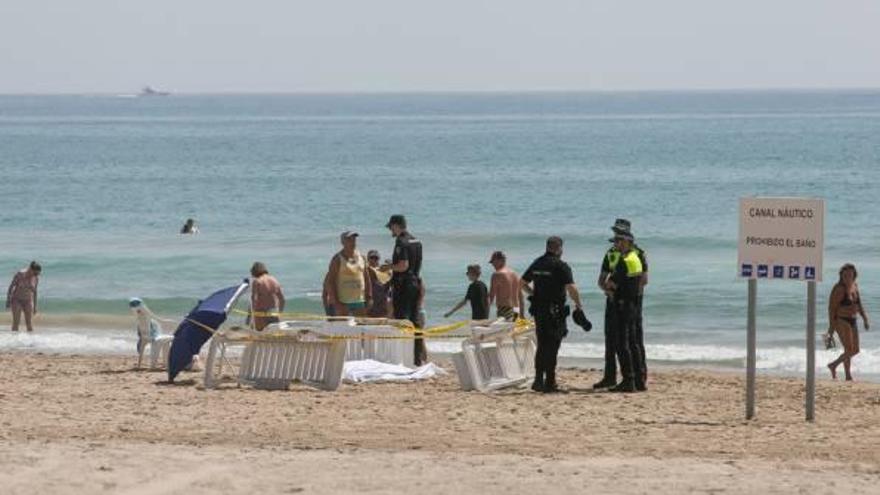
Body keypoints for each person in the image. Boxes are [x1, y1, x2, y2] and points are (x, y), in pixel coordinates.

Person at [521, 237, 584, 393]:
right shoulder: (561, 266)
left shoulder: (537, 263)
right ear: (559, 248)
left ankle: (538, 380)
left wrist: (534, 294)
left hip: (539, 310)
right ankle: (550, 382)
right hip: (554, 311)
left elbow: (521, 283)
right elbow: (571, 288)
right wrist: (579, 305)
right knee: (553, 345)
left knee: (542, 345)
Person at [594, 219, 649, 389]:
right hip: (613, 299)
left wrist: (631, 297)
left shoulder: (638, 253)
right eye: (615, 231)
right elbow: (602, 279)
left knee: (634, 339)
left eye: (619, 232)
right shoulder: (611, 252)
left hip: (631, 301)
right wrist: (609, 291)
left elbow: (643, 280)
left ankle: (639, 376)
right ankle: (610, 376)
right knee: (611, 339)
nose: (616, 236)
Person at [384, 214, 427, 365]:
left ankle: (405, 357)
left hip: (404, 285)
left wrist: (388, 267)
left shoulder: (401, 241)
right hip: (415, 282)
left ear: (396, 225)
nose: (390, 230)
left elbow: (403, 265)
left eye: (391, 227)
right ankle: (417, 358)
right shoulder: (416, 240)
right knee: (415, 321)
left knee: (402, 319)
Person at [826, 263, 870, 381]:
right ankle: (847, 375)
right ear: (841, 276)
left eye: (850, 275)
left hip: (853, 319)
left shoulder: (855, 286)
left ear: (854, 275)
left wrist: (865, 319)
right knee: (849, 349)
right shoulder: (839, 289)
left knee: (855, 350)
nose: (847, 277)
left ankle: (834, 365)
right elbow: (831, 308)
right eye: (845, 275)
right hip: (841, 320)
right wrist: (831, 327)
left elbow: (859, 304)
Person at [326, 231, 373, 317]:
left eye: (354, 239)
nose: (352, 242)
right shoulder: (337, 259)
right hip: (343, 301)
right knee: (342, 328)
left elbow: (366, 278)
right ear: (342, 242)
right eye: (349, 240)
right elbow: (330, 281)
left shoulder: (361, 257)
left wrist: (369, 297)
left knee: (360, 327)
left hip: (359, 300)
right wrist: (336, 303)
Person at [488, 250, 525, 320]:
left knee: (505, 330)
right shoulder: (514, 274)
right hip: (516, 310)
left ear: (500, 260)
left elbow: (491, 297)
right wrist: (522, 314)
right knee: (512, 329)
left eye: (493, 262)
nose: (492, 264)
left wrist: (484, 315)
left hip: (504, 309)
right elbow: (520, 296)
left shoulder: (497, 275)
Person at [7, 261, 41, 332]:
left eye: (37, 273)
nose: (36, 275)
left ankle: (31, 341)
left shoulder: (36, 278)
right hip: (17, 300)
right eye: (35, 273)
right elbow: (11, 287)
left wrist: (35, 306)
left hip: (28, 300)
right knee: (16, 322)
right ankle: (13, 340)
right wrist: (8, 300)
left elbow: (35, 292)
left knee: (29, 323)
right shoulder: (20, 274)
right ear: (30, 269)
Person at [250, 262, 285, 331]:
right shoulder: (274, 280)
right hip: (273, 310)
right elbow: (282, 299)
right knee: (272, 334)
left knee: (259, 333)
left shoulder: (257, 281)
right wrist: (280, 312)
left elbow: (254, 299)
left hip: (261, 311)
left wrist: (252, 314)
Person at [366, 250, 392, 318]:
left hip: (382, 304)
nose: (374, 260)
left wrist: (390, 267)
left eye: (376, 258)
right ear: (368, 259)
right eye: (372, 258)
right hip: (370, 304)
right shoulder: (366, 271)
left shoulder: (385, 271)